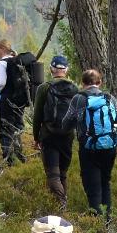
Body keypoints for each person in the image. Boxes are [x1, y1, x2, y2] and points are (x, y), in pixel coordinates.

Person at [63, 69, 117, 218]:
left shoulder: (78, 99)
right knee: (105, 183)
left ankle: (96, 224)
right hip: (109, 148)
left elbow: (65, 124)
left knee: (93, 187)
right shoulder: (110, 99)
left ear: (83, 83)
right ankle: (107, 222)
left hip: (88, 149)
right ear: (99, 82)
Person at [30, 56, 79, 208]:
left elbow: (37, 114)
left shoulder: (44, 87)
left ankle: (61, 205)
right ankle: (61, 207)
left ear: (51, 69)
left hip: (49, 135)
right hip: (68, 136)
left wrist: (36, 137)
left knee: (53, 175)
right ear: (66, 70)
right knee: (62, 174)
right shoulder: (75, 88)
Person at [0, 41, 30, 166]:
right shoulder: (17, 61)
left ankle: (9, 161)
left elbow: (1, 83)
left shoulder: (1, 63)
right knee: (17, 128)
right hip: (19, 101)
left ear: (3, 49)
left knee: (5, 129)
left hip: (6, 101)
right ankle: (19, 157)